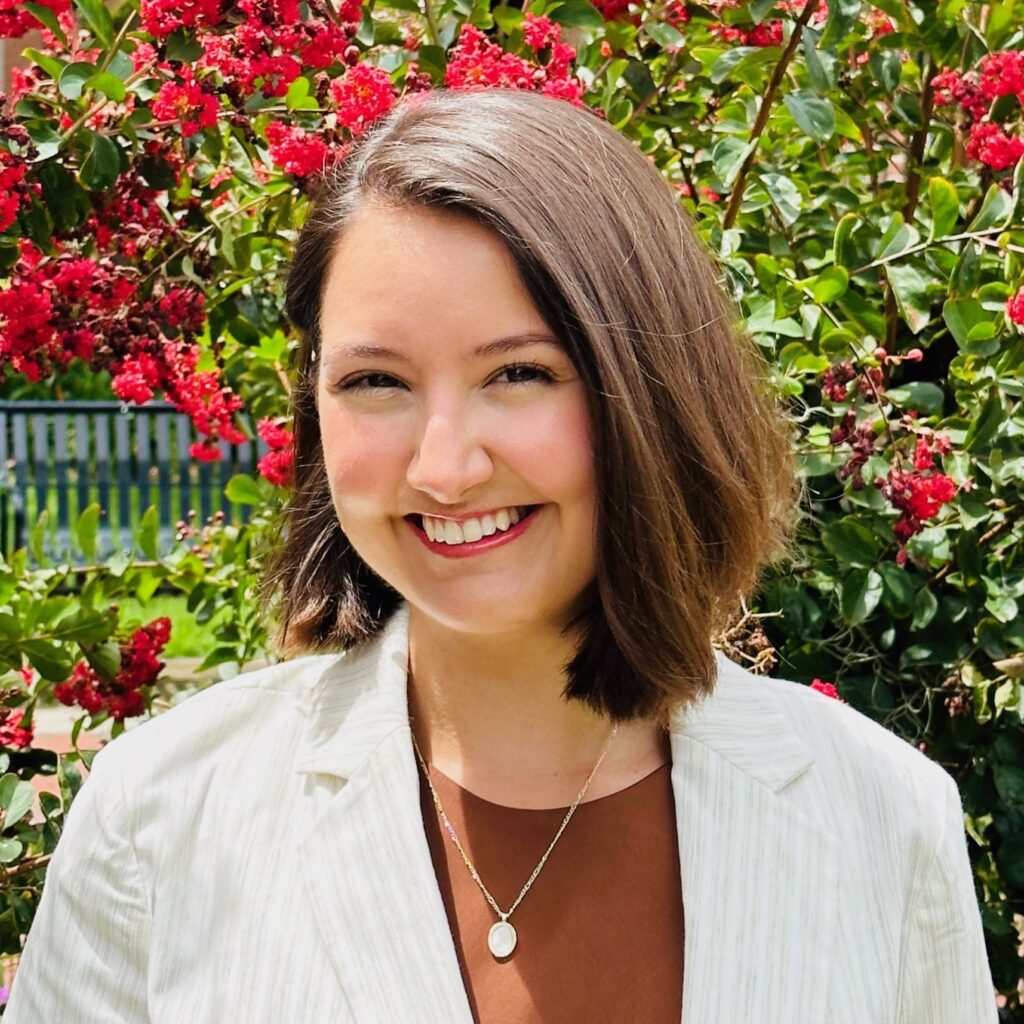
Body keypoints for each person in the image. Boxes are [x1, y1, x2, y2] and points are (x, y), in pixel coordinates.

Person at [5, 88, 996, 1024]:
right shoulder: (161, 819)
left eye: (518, 373)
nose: (443, 467)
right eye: (376, 381)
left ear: (647, 393)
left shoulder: (882, 820)